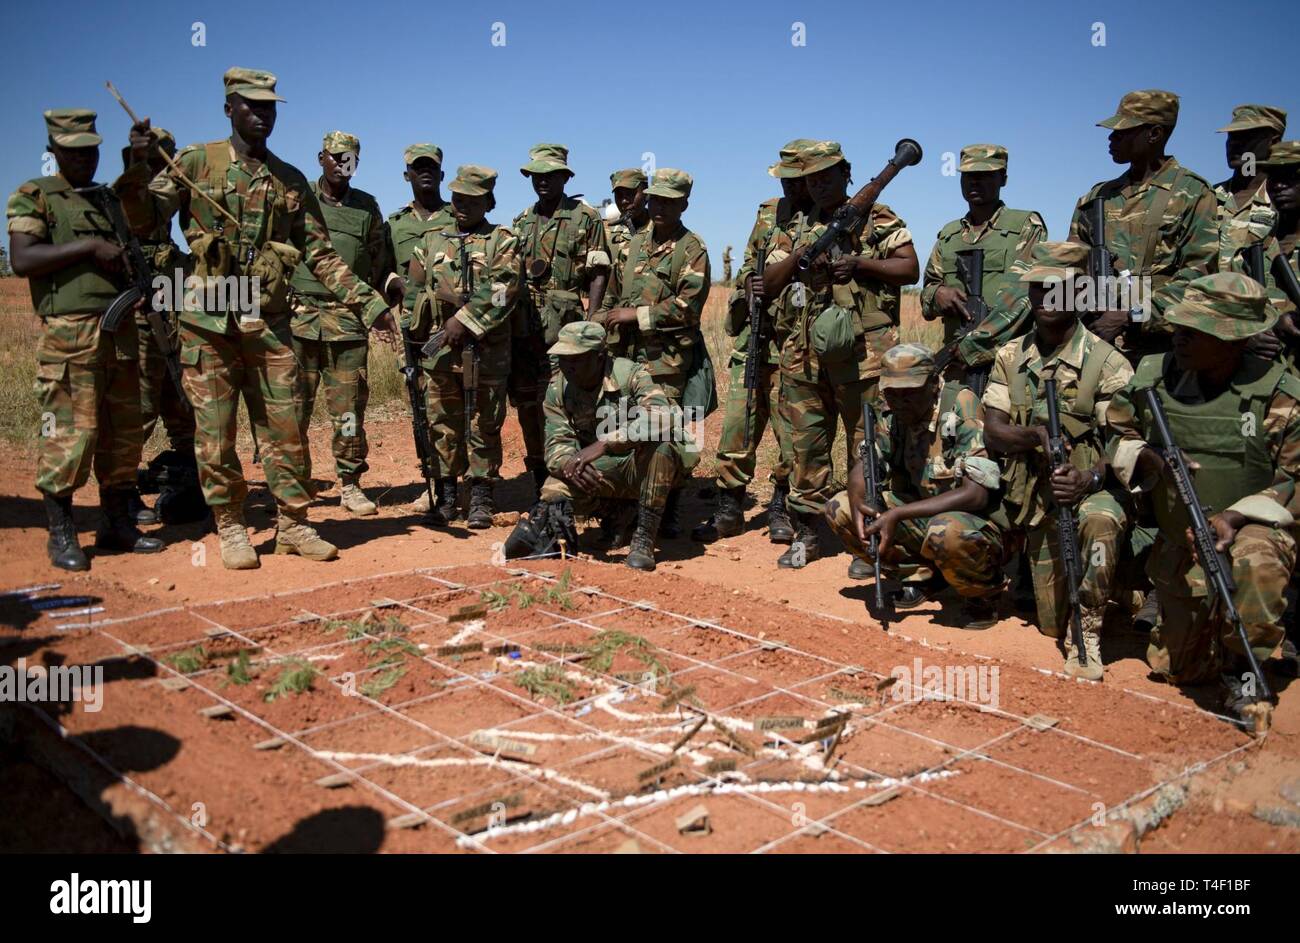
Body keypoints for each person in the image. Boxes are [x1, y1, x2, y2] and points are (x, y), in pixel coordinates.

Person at [119, 67, 402, 569]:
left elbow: (322, 256)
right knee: (216, 431)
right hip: (208, 324)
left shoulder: (290, 180)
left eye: (270, 106)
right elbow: (142, 221)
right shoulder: (195, 163)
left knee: (285, 429)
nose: (262, 114)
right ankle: (230, 526)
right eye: (252, 105)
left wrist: (372, 304)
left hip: (268, 325)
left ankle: (294, 524)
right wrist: (137, 165)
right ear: (229, 108)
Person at [1106, 272, 1300, 728]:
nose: (1181, 337)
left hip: (1252, 535)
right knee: (1180, 671)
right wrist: (1148, 458)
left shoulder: (1279, 395)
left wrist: (1235, 517)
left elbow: (1295, 478)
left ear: (1234, 342)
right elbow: (1115, 434)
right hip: (1180, 541)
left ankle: (1248, 674)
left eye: (1198, 331)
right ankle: (1216, 634)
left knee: (1256, 557)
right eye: (1179, 326)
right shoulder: (1154, 375)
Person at [9, 107, 166, 570]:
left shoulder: (107, 199)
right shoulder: (35, 195)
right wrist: (88, 247)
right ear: (54, 151)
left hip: (118, 332)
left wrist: (138, 158)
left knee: (123, 433)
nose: (84, 161)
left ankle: (117, 522)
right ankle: (62, 532)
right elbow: (22, 258)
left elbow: (137, 221)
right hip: (70, 335)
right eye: (73, 153)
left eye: (91, 152)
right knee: (71, 434)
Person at [760, 140, 920, 568]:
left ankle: (865, 541)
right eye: (812, 179)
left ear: (846, 174)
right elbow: (767, 282)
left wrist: (860, 264)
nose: (820, 186)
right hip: (804, 355)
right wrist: (800, 256)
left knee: (865, 447)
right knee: (806, 449)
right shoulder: (793, 225)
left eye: (828, 177)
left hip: (864, 357)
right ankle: (808, 534)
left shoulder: (876, 217)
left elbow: (909, 268)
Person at [983, 242, 1137, 679]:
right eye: (1038, 289)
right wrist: (1033, 435)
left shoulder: (1108, 363)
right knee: (1048, 622)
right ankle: (1120, 589)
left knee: (1102, 521)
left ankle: (1087, 633)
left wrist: (1088, 478)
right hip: (1032, 500)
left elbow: (1127, 446)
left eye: (1059, 290)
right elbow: (993, 429)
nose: (1046, 299)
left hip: (1088, 495)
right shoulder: (1011, 356)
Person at [825, 344, 1004, 627]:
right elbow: (866, 462)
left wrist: (896, 515)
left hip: (974, 524)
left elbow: (976, 495)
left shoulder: (961, 406)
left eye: (909, 393)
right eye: (892, 394)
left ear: (934, 384)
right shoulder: (893, 411)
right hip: (922, 515)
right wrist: (861, 498)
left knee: (946, 530)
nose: (900, 402)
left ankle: (981, 594)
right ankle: (920, 577)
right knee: (842, 508)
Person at [693, 140, 812, 545]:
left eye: (797, 181)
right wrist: (749, 283)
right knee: (738, 426)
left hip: (797, 343)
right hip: (756, 336)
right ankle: (729, 508)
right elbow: (749, 262)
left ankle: (780, 503)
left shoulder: (822, 221)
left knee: (790, 434)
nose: (790, 189)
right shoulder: (768, 213)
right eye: (786, 182)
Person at [599, 167, 712, 537]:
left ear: (685, 204)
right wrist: (607, 316)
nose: (660, 207)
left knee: (667, 435)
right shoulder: (632, 244)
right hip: (625, 360)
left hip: (666, 363)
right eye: (656, 199)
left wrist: (637, 315)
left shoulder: (692, 249)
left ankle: (668, 511)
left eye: (670, 201)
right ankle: (625, 511)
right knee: (621, 429)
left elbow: (688, 308)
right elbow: (615, 291)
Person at [406, 165, 520, 527]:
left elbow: (504, 291)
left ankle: (481, 498)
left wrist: (464, 322)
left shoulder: (503, 240)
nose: (461, 205)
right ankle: (447, 496)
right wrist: (415, 335)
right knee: (442, 424)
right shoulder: (430, 240)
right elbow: (414, 291)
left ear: (487, 202)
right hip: (439, 355)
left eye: (472, 200)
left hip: (484, 353)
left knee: (482, 423)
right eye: (456, 198)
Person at [287, 130, 393, 517]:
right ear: (321, 158)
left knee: (348, 412)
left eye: (350, 158)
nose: (342, 164)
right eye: (335, 156)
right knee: (293, 410)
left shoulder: (367, 208)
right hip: (298, 319)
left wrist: (376, 304)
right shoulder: (299, 200)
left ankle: (349, 484)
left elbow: (381, 261)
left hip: (347, 322)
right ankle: (294, 482)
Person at [1068, 90, 1217, 363]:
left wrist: (1130, 315)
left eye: (1123, 132)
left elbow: (1199, 278)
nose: (1112, 138)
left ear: (1154, 134)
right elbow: (1070, 266)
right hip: (1096, 344)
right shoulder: (1095, 199)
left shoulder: (1193, 193)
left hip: (1161, 351)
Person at [536, 321, 697, 571]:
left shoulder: (630, 374)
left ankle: (644, 535)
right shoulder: (557, 389)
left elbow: (663, 417)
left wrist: (606, 443)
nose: (568, 367)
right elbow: (556, 443)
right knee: (553, 488)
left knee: (661, 446)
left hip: (642, 466)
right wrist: (569, 462)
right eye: (563, 359)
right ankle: (614, 513)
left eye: (576, 359)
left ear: (600, 356)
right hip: (604, 471)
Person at [511, 144, 610, 499]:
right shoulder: (521, 221)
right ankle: (539, 472)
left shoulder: (585, 217)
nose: (543, 182)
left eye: (550, 175)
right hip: (525, 329)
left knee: (566, 401)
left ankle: (581, 476)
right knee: (527, 403)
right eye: (537, 175)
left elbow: (599, 271)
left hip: (566, 329)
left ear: (564, 177)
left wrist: (592, 318)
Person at [115, 126, 203, 526]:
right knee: (141, 406)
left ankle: (187, 483)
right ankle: (121, 493)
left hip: (172, 318)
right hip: (137, 322)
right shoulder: (122, 205)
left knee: (183, 404)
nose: (164, 174)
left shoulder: (170, 241)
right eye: (155, 164)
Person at [920, 144, 1046, 391]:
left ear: (1003, 179)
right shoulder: (949, 234)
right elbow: (926, 292)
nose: (975, 182)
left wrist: (972, 346)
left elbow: (1023, 295)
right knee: (954, 428)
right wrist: (937, 294)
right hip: (957, 364)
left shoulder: (1026, 225)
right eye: (968, 176)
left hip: (1010, 360)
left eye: (985, 175)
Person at [603, 167, 648, 273]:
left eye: (631, 194)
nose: (624, 201)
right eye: (619, 195)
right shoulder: (607, 234)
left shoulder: (661, 231)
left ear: (646, 192)